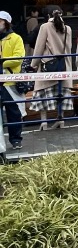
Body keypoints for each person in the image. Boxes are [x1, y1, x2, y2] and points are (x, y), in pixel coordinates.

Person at [29, 10, 74, 130]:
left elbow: (39, 48)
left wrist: (33, 65)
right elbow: (68, 49)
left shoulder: (45, 27)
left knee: (42, 94)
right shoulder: (68, 28)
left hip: (47, 68)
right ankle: (61, 120)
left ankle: (44, 122)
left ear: (48, 15)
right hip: (63, 68)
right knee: (61, 95)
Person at [0, 11, 25, 149]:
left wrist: (1, 63)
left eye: (0, 21)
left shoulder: (16, 38)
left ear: (6, 22)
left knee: (14, 113)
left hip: (10, 81)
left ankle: (16, 140)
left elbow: (18, 58)